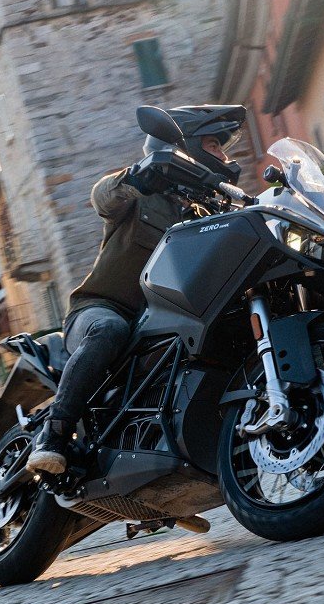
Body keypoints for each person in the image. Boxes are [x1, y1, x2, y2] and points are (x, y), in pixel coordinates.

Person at [26, 104, 247, 474]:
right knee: (109, 329)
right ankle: (55, 433)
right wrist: (137, 177)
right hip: (102, 309)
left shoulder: (210, 217)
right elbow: (102, 197)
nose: (224, 157)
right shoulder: (142, 196)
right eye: (214, 145)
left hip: (164, 322)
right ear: (189, 147)